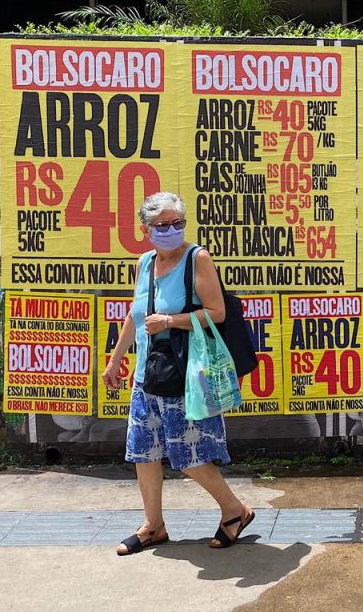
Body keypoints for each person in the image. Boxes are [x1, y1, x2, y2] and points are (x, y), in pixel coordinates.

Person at [102, 192, 254, 555]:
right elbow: (135, 315)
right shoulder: (145, 262)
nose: (171, 230)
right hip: (148, 375)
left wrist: (171, 321)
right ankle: (153, 526)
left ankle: (235, 510)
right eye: (162, 225)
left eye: (177, 223)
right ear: (145, 230)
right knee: (144, 452)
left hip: (186, 376)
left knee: (190, 453)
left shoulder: (197, 258)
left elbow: (216, 312)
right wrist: (115, 360)